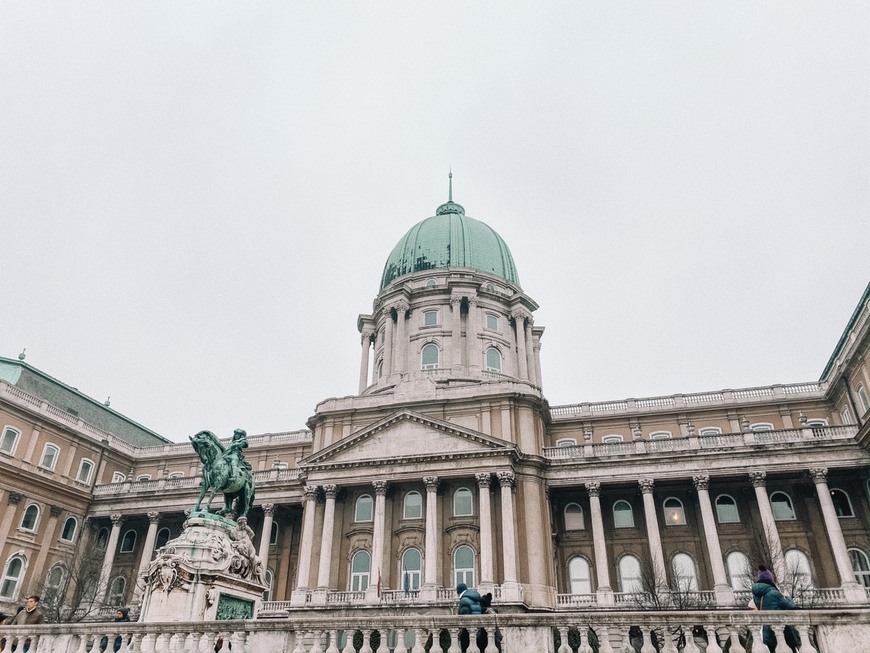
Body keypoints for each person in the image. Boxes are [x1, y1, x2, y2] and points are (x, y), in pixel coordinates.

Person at [751, 567, 797, 652]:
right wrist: (787, 597)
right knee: (790, 649)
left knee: (773, 650)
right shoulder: (774, 593)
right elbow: (791, 606)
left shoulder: (756, 595)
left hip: (767, 628)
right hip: (781, 627)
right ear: (770, 579)